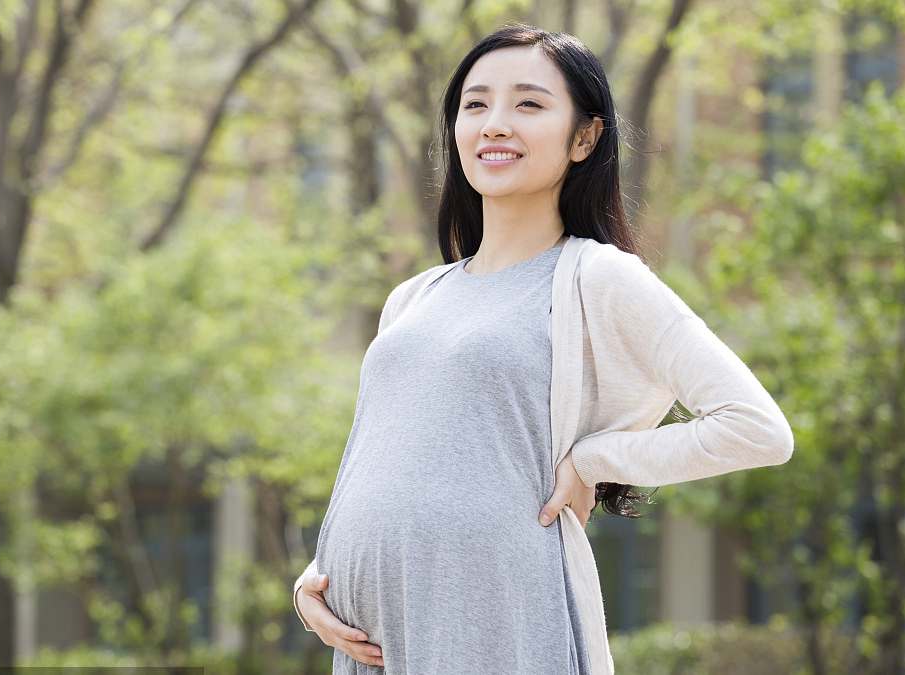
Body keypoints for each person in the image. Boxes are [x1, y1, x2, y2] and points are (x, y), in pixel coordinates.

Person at [292, 24, 793, 675]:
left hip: (497, 619)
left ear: (585, 137)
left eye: (528, 103)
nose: (495, 124)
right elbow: (390, 462)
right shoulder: (412, 298)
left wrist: (593, 460)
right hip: (376, 641)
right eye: (475, 104)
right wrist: (317, 579)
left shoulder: (597, 277)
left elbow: (757, 428)